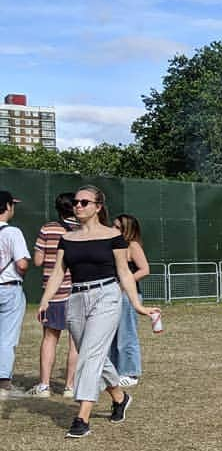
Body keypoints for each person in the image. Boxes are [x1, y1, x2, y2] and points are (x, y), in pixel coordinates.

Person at [37, 186, 160, 438]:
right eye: (75, 202)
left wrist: (137, 305)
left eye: (84, 202)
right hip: (76, 297)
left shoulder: (114, 236)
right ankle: (119, 397)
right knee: (93, 354)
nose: (78, 206)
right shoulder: (67, 238)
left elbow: (124, 272)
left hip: (106, 295)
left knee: (90, 356)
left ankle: (82, 417)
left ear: (98, 206)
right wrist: (45, 300)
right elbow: (59, 272)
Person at [29, 192, 80, 398]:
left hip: (53, 293)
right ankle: (70, 386)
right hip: (76, 291)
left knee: (50, 338)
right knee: (75, 341)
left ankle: (44, 385)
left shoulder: (48, 228)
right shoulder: (82, 230)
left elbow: (38, 261)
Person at [108, 214, 150, 387]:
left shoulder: (132, 246)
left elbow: (145, 269)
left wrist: (125, 283)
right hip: (112, 295)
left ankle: (131, 372)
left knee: (127, 334)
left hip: (127, 295)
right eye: (113, 225)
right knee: (112, 336)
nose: (113, 229)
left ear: (127, 230)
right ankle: (115, 371)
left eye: (118, 227)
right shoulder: (113, 245)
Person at [0, 189, 31, 397]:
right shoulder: (12, 232)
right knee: (7, 336)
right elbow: (22, 263)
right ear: (7, 207)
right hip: (9, 287)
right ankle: (3, 382)